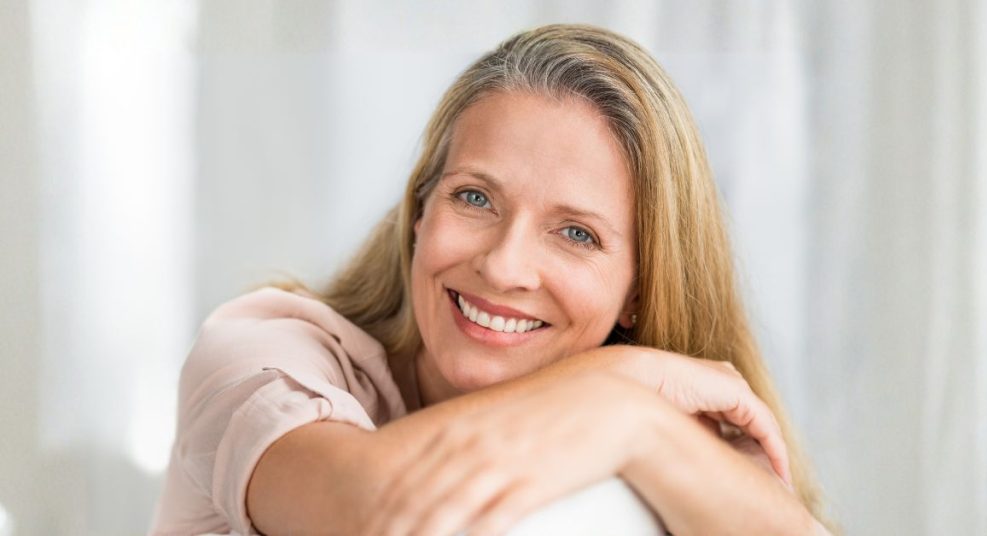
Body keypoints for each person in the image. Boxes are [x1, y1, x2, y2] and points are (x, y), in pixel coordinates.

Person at [149, 23, 835, 535]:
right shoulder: (260, 359)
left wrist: (639, 425)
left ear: (638, 289)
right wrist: (616, 401)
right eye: (475, 197)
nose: (504, 265)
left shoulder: (651, 424)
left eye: (576, 233)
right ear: (420, 211)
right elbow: (378, 514)